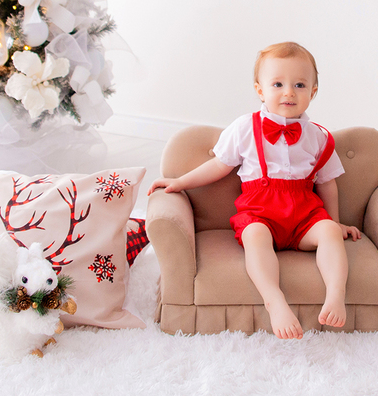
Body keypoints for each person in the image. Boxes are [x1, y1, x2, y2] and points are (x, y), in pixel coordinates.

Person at [148, 41, 360, 339]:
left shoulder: (318, 137)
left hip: (304, 214)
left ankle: (336, 294)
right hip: (260, 212)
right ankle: (274, 301)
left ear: (312, 92)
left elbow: (327, 183)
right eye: (278, 84)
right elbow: (219, 166)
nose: (289, 92)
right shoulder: (245, 128)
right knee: (255, 236)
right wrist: (179, 182)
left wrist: (334, 222)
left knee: (329, 233)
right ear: (260, 90)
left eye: (299, 84)